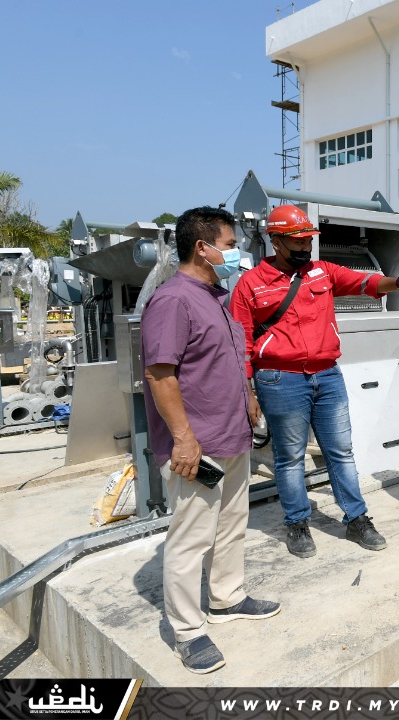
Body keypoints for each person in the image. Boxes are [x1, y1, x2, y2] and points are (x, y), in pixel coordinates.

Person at [229, 204, 399, 558]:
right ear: (275, 241)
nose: (306, 249)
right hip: (280, 380)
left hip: (327, 376)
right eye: (298, 242)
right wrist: (247, 392)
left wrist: (398, 282)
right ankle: (297, 523)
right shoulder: (250, 285)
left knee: (341, 452)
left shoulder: (322, 272)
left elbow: (364, 282)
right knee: (290, 458)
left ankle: (356, 519)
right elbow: (240, 343)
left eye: (308, 241)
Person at [141, 206, 281, 675]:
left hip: (232, 434)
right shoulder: (173, 300)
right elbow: (160, 375)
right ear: (202, 247)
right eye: (228, 243)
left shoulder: (217, 296)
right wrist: (182, 438)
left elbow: (224, 359)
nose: (235, 251)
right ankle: (187, 631)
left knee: (231, 523)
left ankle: (227, 596)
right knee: (191, 537)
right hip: (196, 444)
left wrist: (248, 397)